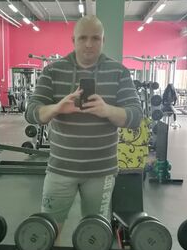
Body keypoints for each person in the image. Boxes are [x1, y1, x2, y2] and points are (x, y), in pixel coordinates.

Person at [25, 14, 142, 228]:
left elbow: (135, 116)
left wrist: (107, 110)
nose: (89, 44)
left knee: (95, 232)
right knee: (49, 229)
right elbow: (31, 112)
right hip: (60, 169)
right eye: (83, 38)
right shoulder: (52, 71)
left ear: (103, 40)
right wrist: (57, 108)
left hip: (101, 172)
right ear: (74, 40)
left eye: (95, 38)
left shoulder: (119, 72)